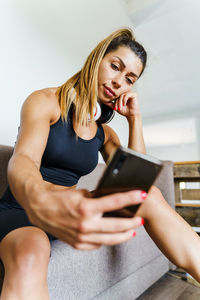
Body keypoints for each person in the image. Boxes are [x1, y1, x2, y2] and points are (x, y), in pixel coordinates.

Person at [0, 28, 200, 299]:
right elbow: (23, 160)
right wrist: (40, 201)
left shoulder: (104, 133)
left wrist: (134, 118)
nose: (119, 82)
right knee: (30, 251)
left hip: (73, 208)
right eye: (115, 67)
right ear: (97, 59)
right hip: (22, 209)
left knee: (149, 195)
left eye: (129, 79)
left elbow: (135, 185)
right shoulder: (45, 101)